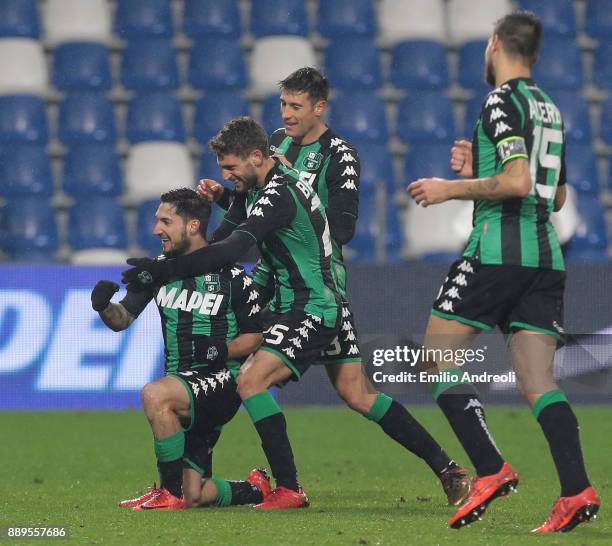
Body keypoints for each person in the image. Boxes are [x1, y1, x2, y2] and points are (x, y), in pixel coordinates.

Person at [199, 67, 470, 506]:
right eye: (283, 104)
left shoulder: (339, 154)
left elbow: (340, 228)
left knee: (248, 374)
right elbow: (259, 209)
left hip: (314, 287)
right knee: (355, 392)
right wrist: (230, 197)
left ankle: (244, 484)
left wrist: (293, 185)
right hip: (281, 284)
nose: (285, 114)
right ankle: (449, 469)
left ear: (319, 107)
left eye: (295, 106)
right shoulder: (272, 146)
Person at [407, 11, 600, 532]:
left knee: (435, 357)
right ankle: (575, 489)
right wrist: (483, 169)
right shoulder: (550, 109)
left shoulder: (499, 101)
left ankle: (490, 468)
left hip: (495, 252)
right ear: (534, 54)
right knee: (538, 381)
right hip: (545, 257)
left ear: (494, 45)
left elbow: (516, 183)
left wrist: (450, 188)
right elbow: (553, 193)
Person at [122, 117, 346, 509]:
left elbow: (228, 252)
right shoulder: (261, 185)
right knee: (197, 491)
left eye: (230, 168)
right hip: (290, 304)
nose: (224, 176)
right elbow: (220, 240)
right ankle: (258, 487)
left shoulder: (278, 192)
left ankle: (290, 487)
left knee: (254, 379)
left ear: (256, 157)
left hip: (313, 303)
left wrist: (160, 269)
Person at [91, 188, 269, 510]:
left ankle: (167, 493)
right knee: (196, 494)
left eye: (165, 221)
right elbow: (121, 319)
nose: (156, 229)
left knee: (154, 395)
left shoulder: (231, 275)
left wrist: (221, 350)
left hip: (220, 382)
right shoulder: (158, 271)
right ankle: (256, 490)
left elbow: (256, 336)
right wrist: (103, 306)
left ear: (193, 226)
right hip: (181, 383)